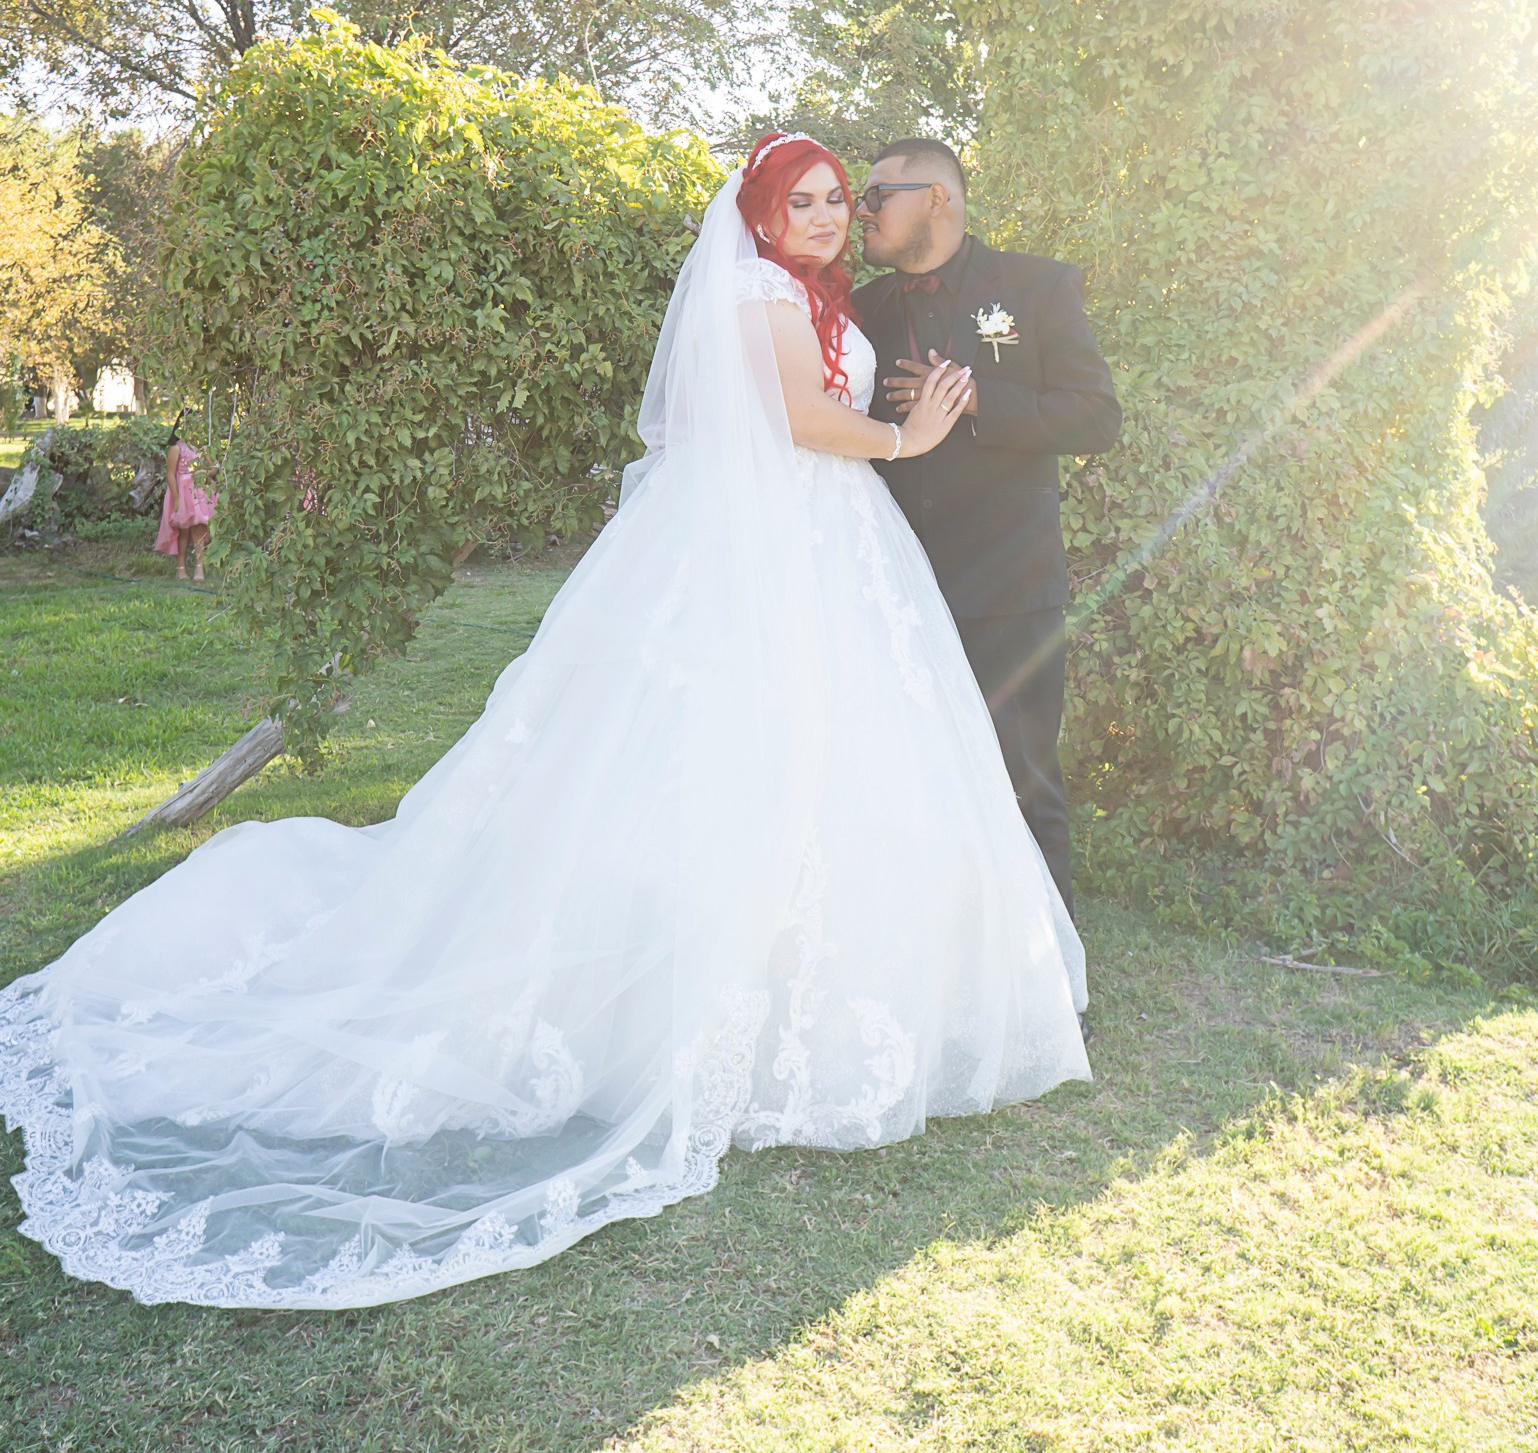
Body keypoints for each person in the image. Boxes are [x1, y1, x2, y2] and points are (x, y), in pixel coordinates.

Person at [0, 134, 1089, 1312]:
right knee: (742, 751)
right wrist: (905, 439)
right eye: (808, 199)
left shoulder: (832, 292)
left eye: (839, 199)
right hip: (775, 542)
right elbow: (797, 419)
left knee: (842, 761)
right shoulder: (756, 289)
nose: (829, 215)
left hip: (837, 548)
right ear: (760, 215)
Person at [853, 138, 1122, 925]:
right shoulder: (859, 310)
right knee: (902, 781)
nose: (861, 213)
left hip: (1008, 592)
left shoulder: (1037, 289)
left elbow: (1097, 418)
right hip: (890, 587)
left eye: (877, 196)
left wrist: (977, 404)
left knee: (1024, 782)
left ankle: (1052, 983)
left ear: (937, 198)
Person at [153, 417, 218, 582]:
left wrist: (205, 473)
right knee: (183, 531)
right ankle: (180, 567)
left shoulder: (201, 448)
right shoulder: (176, 448)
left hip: (199, 493)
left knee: (199, 529)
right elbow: (170, 474)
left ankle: (199, 566)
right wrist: (176, 498)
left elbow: (213, 469)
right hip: (183, 492)